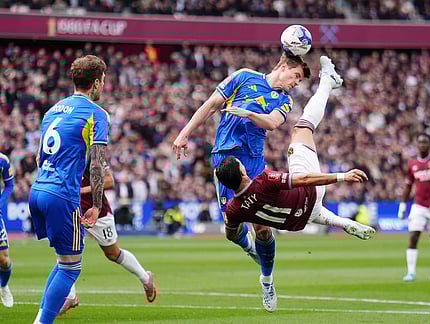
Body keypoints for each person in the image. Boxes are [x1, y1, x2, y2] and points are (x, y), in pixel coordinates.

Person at [216, 56, 376, 312]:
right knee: (303, 127)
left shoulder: (235, 209)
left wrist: (245, 245)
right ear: (243, 170)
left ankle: (339, 222)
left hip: (299, 221)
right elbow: (304, 179)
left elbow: (229, 231)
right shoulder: (264, 179)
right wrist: (341, 176)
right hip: (311, 194)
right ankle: (328, 81)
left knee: (293, 217)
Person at [172, 52, 311, 310]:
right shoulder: (243, 76)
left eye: (299, 80)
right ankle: (247, 247)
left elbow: (271, 123)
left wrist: (248, 114)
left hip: (254, 162)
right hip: (225, 158)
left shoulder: (284, 100)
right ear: (284, 66)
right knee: (231, 228)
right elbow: (211, 104)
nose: (296, 83)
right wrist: (184, 133)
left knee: (262, 227)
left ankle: (267, 282)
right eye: (297, 76)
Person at [29, 55, 109, 324]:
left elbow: (39, 158)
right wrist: (97, 205)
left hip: (38, 189)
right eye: (103, 81)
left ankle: (40, 318)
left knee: (63, 262)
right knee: (71, 269)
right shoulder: (97, 114)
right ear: (96, 83)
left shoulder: (52, 111)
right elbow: (97, 165)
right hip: (61, 194)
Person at [58, 159, 156, 314]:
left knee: (112, 253)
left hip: (98, 211)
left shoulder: (92, 154)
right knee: (67, 253)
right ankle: (70, 296)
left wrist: (80, 190)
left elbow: (110, 181)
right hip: (72, 211)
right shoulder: (62, 152)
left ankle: (145, 277)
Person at [398, 133, 430, 282]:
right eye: (420, 142)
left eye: (425, 142)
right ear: (416, 144)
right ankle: (411, 272)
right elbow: (408, 186)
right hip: (418, 206)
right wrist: (402, 205)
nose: (422, 145)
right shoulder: (412, 164)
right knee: (413, 236)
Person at [0, 152, 14, 307]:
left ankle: (3, 286)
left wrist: (1, 202)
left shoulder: (3, 160)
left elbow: (9, 185)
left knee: (3, 260)